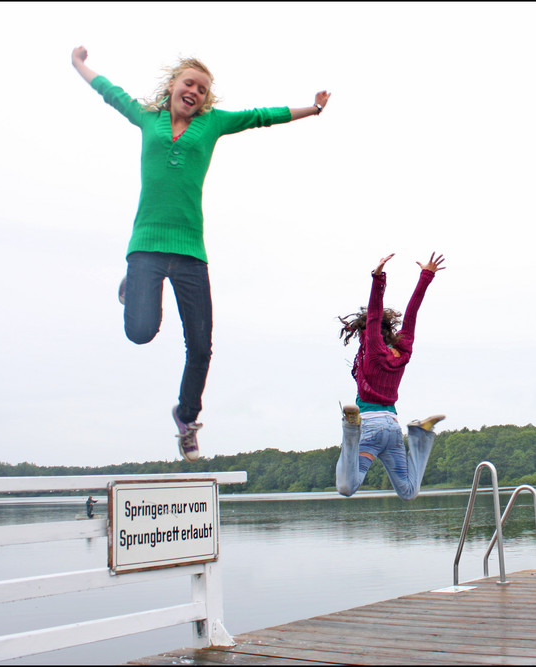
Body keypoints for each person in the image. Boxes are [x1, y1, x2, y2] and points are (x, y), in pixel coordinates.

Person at [70, 46, 330, 462]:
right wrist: (80, 64)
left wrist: (312, 110)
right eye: (188, 83)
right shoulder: (147, 118)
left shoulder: (212, 125)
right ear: (172, 86)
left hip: (190, 250)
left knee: (201, 346)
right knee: (140, 333)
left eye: (202, 89)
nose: (194, 91)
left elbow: (260, 116)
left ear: (206, 99)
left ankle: (186, 419)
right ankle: (135, 283)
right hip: (147, 247)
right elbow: (110, 91)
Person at [335, 252, 446, 500]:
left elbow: (374, 315)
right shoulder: (403, 351)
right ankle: (420, 433)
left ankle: (350, 427)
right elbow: (411, 315)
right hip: (392, 430)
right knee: (408, 492)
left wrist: (378, 278)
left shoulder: (373, 351)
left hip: (370, 428)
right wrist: (426, 277)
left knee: (346, 487)